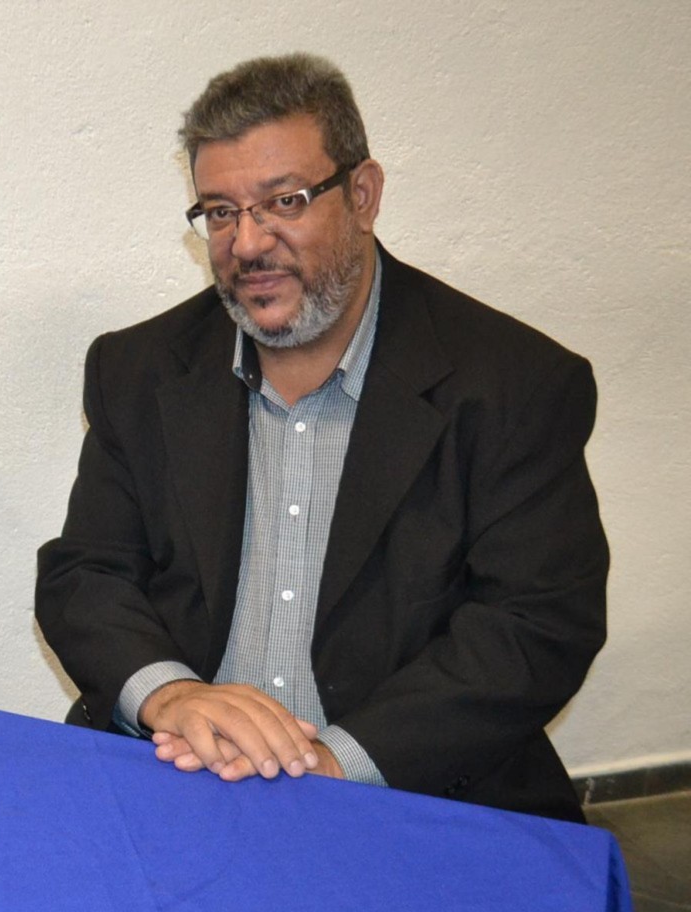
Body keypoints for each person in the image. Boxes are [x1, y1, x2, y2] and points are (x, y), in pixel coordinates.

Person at [35, 54, 607, 822]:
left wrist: (337, 764)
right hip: (181, 773)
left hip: (414, 791)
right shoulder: (138, 369)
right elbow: (86, 575)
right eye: (221, 212)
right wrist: (172, 696)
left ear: (363, 196)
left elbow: (536, 623)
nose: (248, 243)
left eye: (285, 201)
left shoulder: (514, 384)